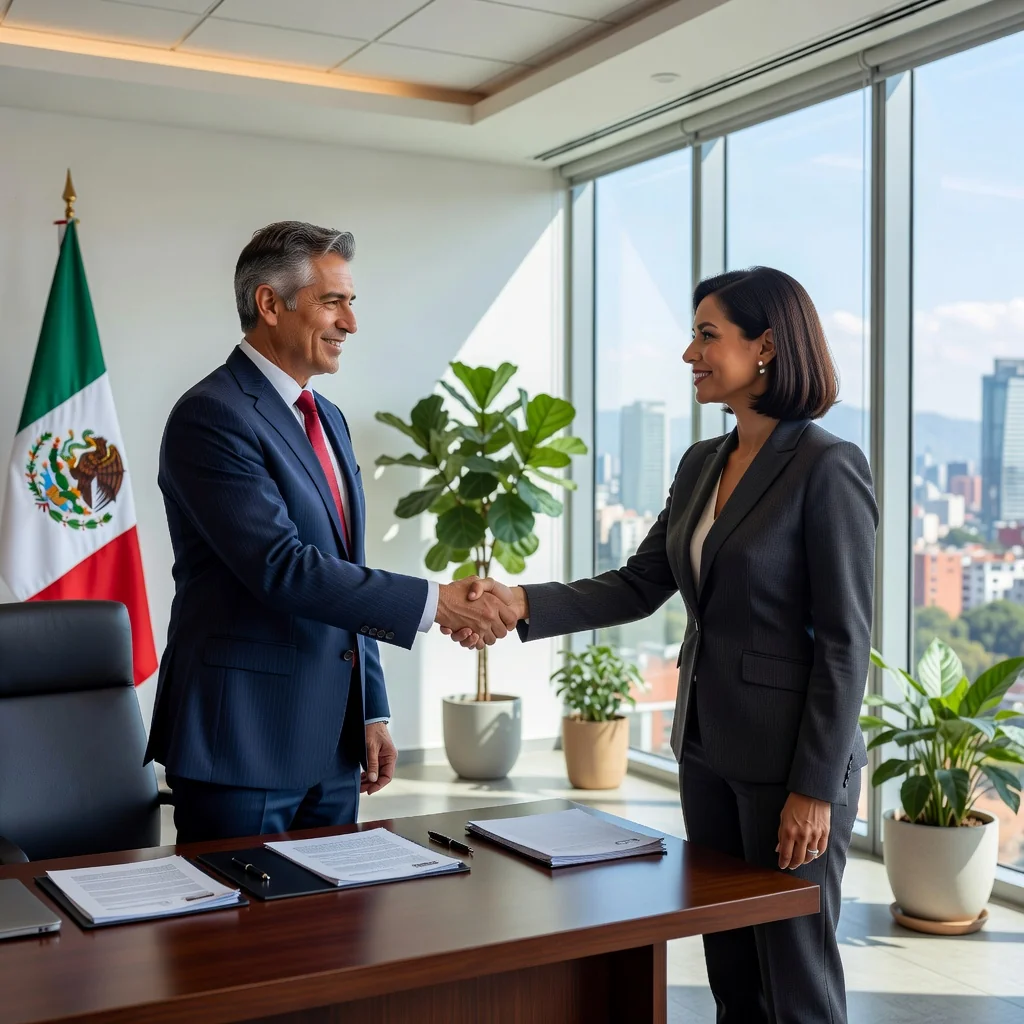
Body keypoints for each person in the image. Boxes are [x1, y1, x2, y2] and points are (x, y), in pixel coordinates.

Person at [454, 267, 877, 1024]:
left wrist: (815, 787)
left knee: (795, 976)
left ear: (768, 347)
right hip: (709, 750)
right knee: (731, 970)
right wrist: (520, 603)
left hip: (791, 766)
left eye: (707, 335)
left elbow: (847, 642)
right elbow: (638, 583)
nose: (689, 354)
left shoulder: (827, 466)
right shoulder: (701, 464)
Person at [146, 221, 516, 843]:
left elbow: (347, 563)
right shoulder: (210, 415)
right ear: (270, 304)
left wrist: (369, 707)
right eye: (331, 301)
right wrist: (435, 602)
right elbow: (282, 567)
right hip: (244, 741)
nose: (351, 323)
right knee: (237, 937)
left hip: (335, 742)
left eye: (351, 302)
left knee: (336, 935)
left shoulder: (329, 419)